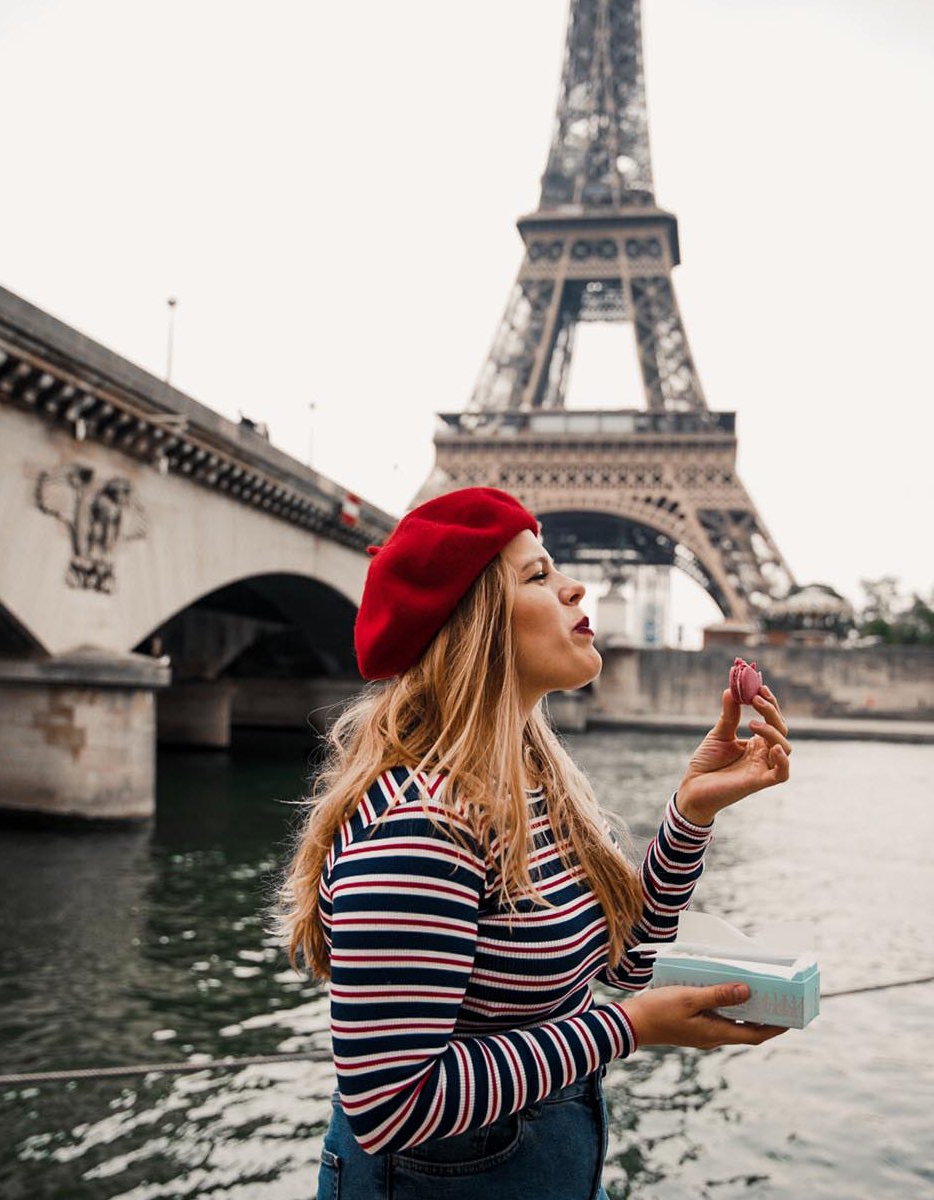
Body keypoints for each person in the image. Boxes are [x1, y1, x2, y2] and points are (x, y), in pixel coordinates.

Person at [276, 486, 792, 1200]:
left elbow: (626, 961)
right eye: (538, 575)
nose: (575, 585)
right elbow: (389, 1106)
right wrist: (627, 1030)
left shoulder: (529, 788)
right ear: (476, 627)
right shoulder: (420, 823)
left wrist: (691, 813)